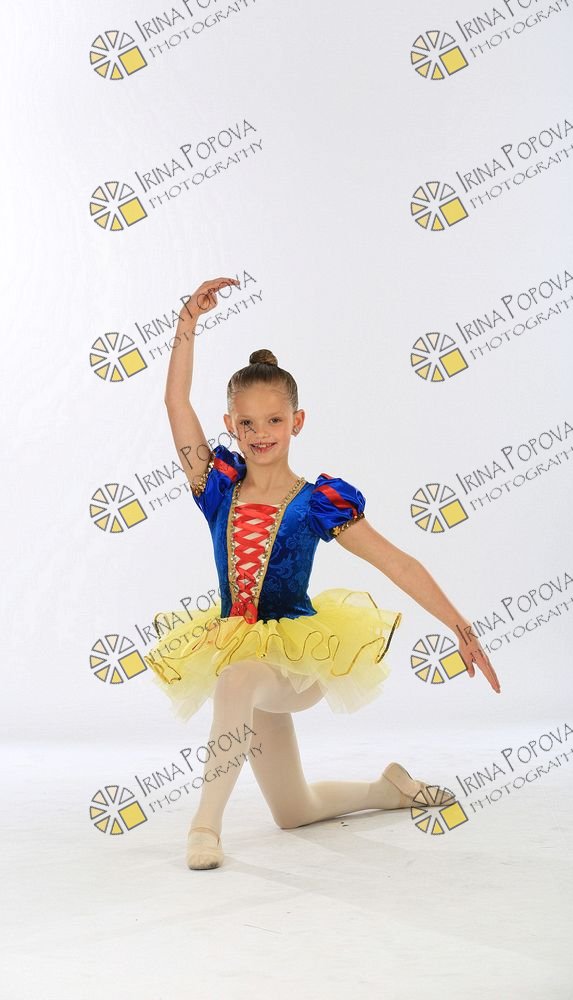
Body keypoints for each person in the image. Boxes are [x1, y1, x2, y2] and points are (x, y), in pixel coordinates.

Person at [144, 276, 500, 871]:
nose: (261, 435)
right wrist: (188, 321)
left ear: (297, 421)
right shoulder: (216, 487)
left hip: (299, 657)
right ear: (230, 424)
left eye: (274, 421)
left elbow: (396, 561)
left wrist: (460, 626)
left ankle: (204, 827)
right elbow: (175, 405)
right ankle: (390, 790)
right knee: (293, 809)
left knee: (235, 681)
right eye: (247, 424)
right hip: (237, 647)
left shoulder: (317, 504)